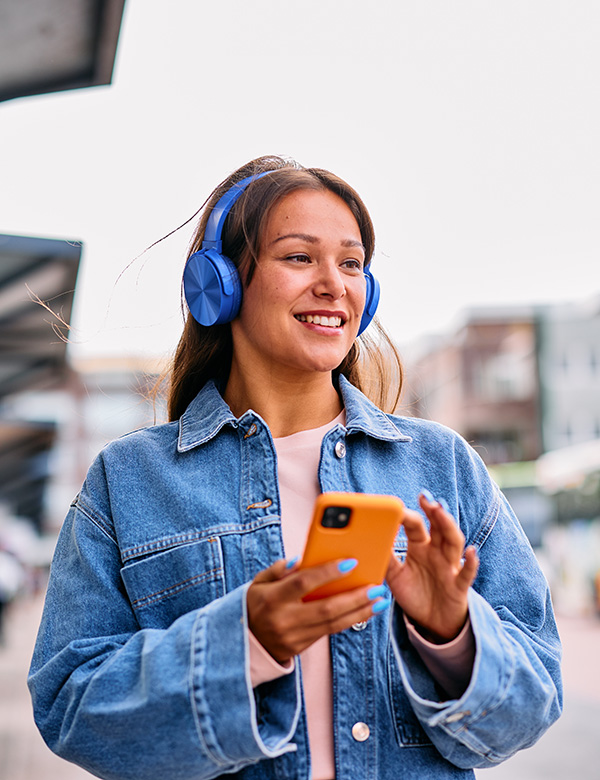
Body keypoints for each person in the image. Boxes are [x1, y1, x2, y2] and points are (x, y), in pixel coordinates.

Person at [28, 155, 562, 780]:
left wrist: (451, 635)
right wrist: (246, 642)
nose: (334, 284)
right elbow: (70, 705)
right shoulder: (129, 481)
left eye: (352, 262)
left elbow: (536, 697)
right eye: (299, 257)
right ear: (220, 282)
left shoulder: (441, 465)